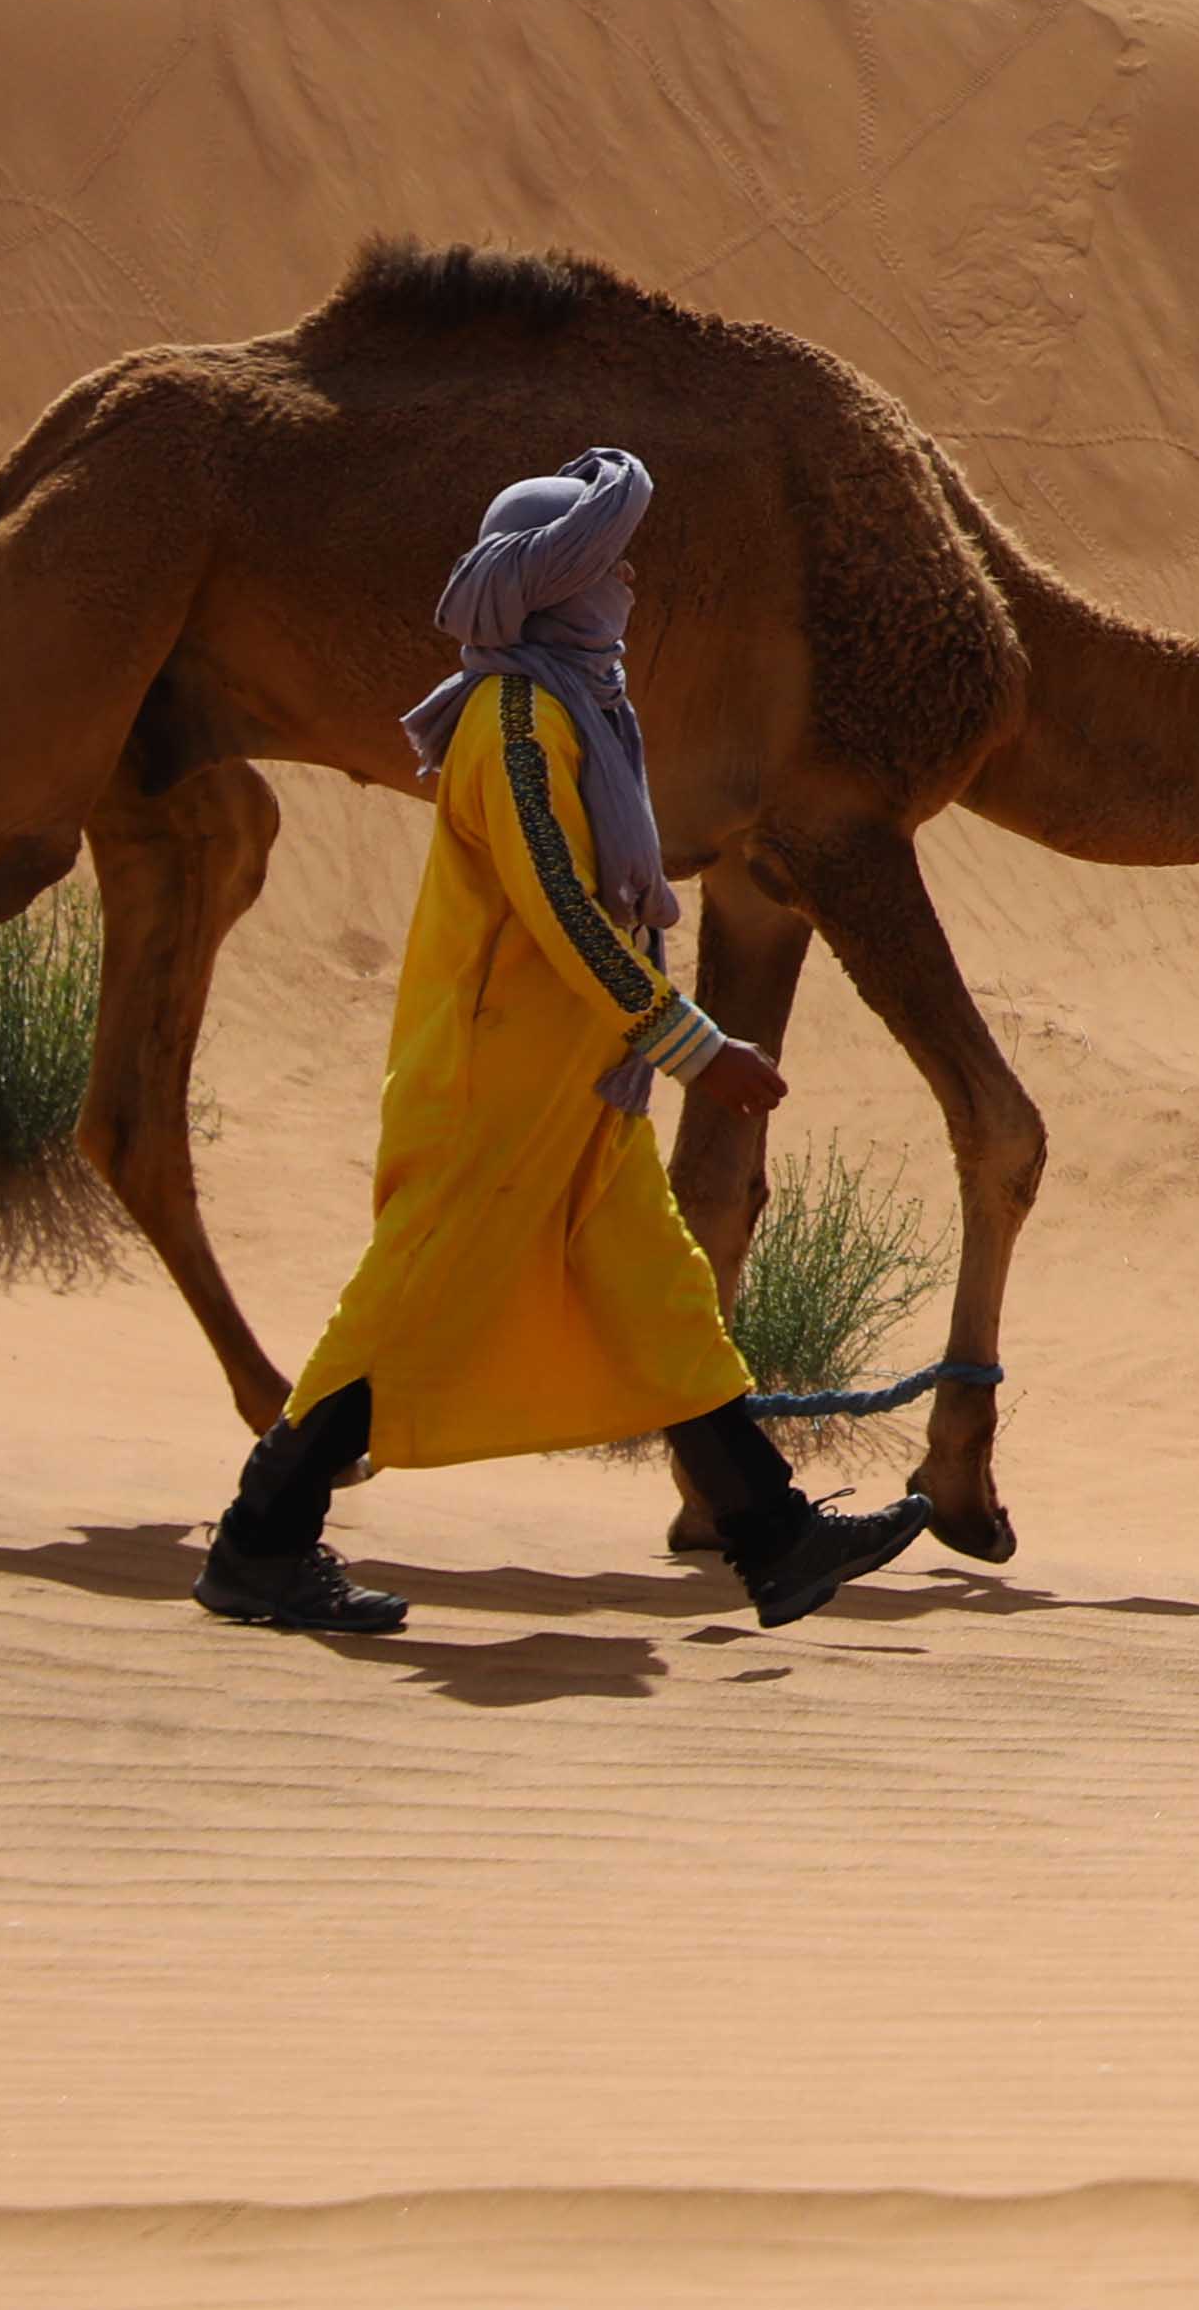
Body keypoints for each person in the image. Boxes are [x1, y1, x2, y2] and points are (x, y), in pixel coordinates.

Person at [197, 449, 932, 1636]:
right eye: (609, 564)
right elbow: (562, 902)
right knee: (401, 1311)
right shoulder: (516, 722)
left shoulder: (575, 707)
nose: (631, 582)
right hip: (498, 1078)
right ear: (559, 590)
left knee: (660, 1295)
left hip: (580, 1078)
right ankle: (257, 1544)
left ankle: (773, 1534)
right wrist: (695, 1045)